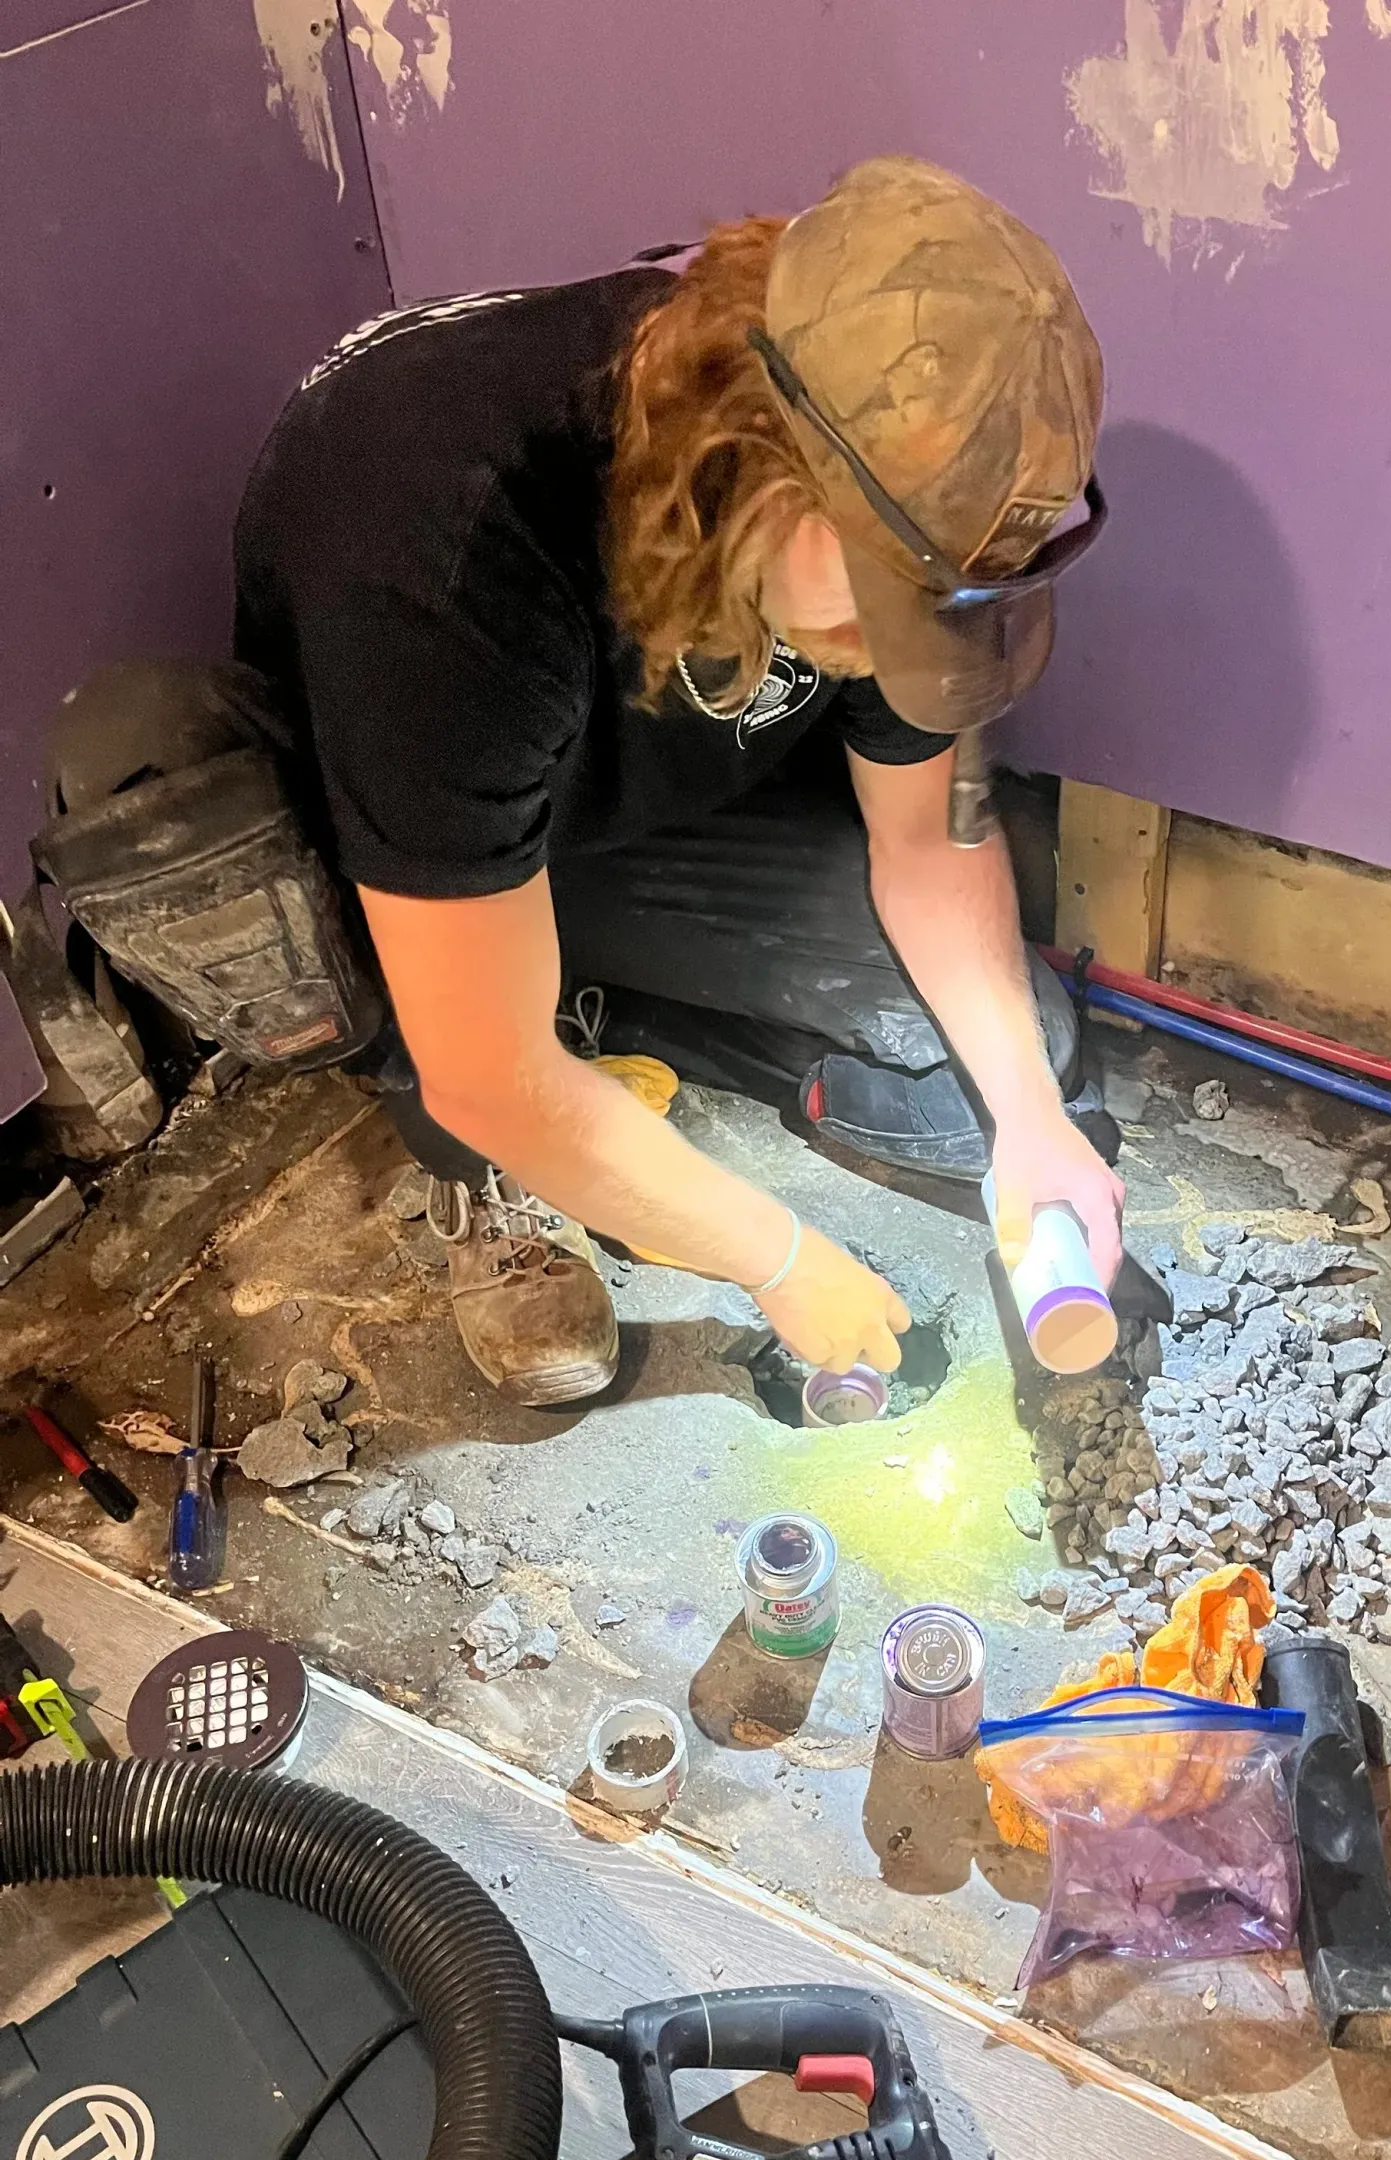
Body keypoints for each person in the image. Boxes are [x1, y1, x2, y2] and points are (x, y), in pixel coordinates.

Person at [33, 157, 1122, 1408]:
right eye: (887, 603)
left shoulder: (906, 470)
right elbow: (490, 1069)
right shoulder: (445, 529)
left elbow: (927, 843)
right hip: (409, 857)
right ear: (759, 456)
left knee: (1014, 1056)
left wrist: (1032, 1122)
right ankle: (466, 1109)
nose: (896, 649)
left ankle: (588, 1037)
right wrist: (777, 1259)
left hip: (616, 822)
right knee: (458, 1050)